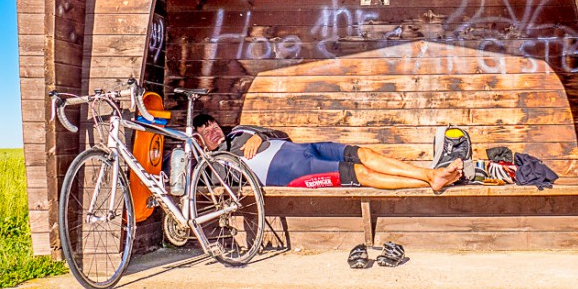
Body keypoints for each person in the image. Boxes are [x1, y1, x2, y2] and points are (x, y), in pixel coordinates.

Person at [192, 114, 462, 191]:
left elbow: (281, 135)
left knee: (364, 153)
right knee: (360, 173)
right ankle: (431, 180)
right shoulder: (215, 164)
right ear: (200, 140)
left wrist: (257, 135)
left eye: (213, 125)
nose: (213, 131)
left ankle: (430, 175)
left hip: (304, 149)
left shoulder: (239, 131)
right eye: (206, 131)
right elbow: (217, 183)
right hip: (294, 172)